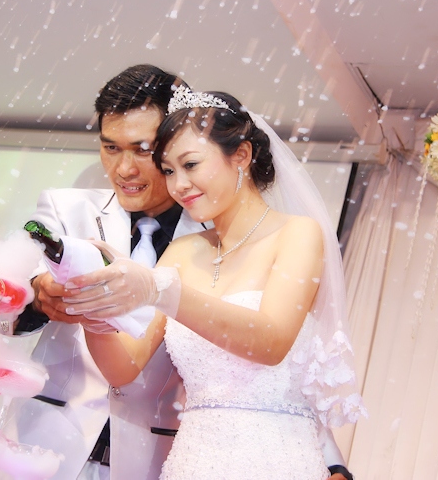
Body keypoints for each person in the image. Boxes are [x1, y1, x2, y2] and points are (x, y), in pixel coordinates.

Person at [64, 87, 366, 479]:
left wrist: (161, 290)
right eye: (169, 171)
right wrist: (95, 312)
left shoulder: (297, 234)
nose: (178, 185)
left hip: (275, 460)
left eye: (190, 165)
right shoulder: (182, 252)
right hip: (191, 462)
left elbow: (270, 342)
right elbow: (125, 368)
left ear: (241, 155)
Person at [13, 64, 206, 480]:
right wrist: (38, 297)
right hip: (48, 443)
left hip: (157, 457)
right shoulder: (64, 208)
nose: (124, 169)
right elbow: (0, 308)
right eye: (111, 148)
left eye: (142, 149)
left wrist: (331, 462)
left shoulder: (217, 240)